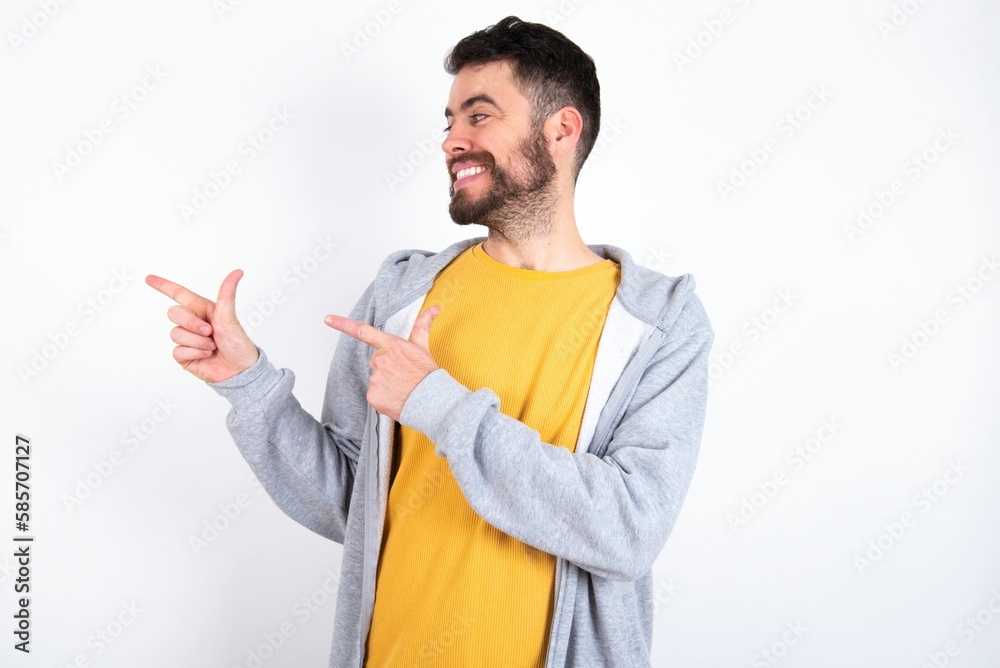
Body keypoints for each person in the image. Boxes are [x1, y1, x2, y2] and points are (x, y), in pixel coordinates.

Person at [146, 16, 713, 668]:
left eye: (479, 116)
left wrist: (439, 405)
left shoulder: (656, 324)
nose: (452, 141)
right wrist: (248, 383)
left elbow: (629, 528)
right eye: (449, 122)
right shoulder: (403, 293)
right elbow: (349, 502)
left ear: (560, 129)